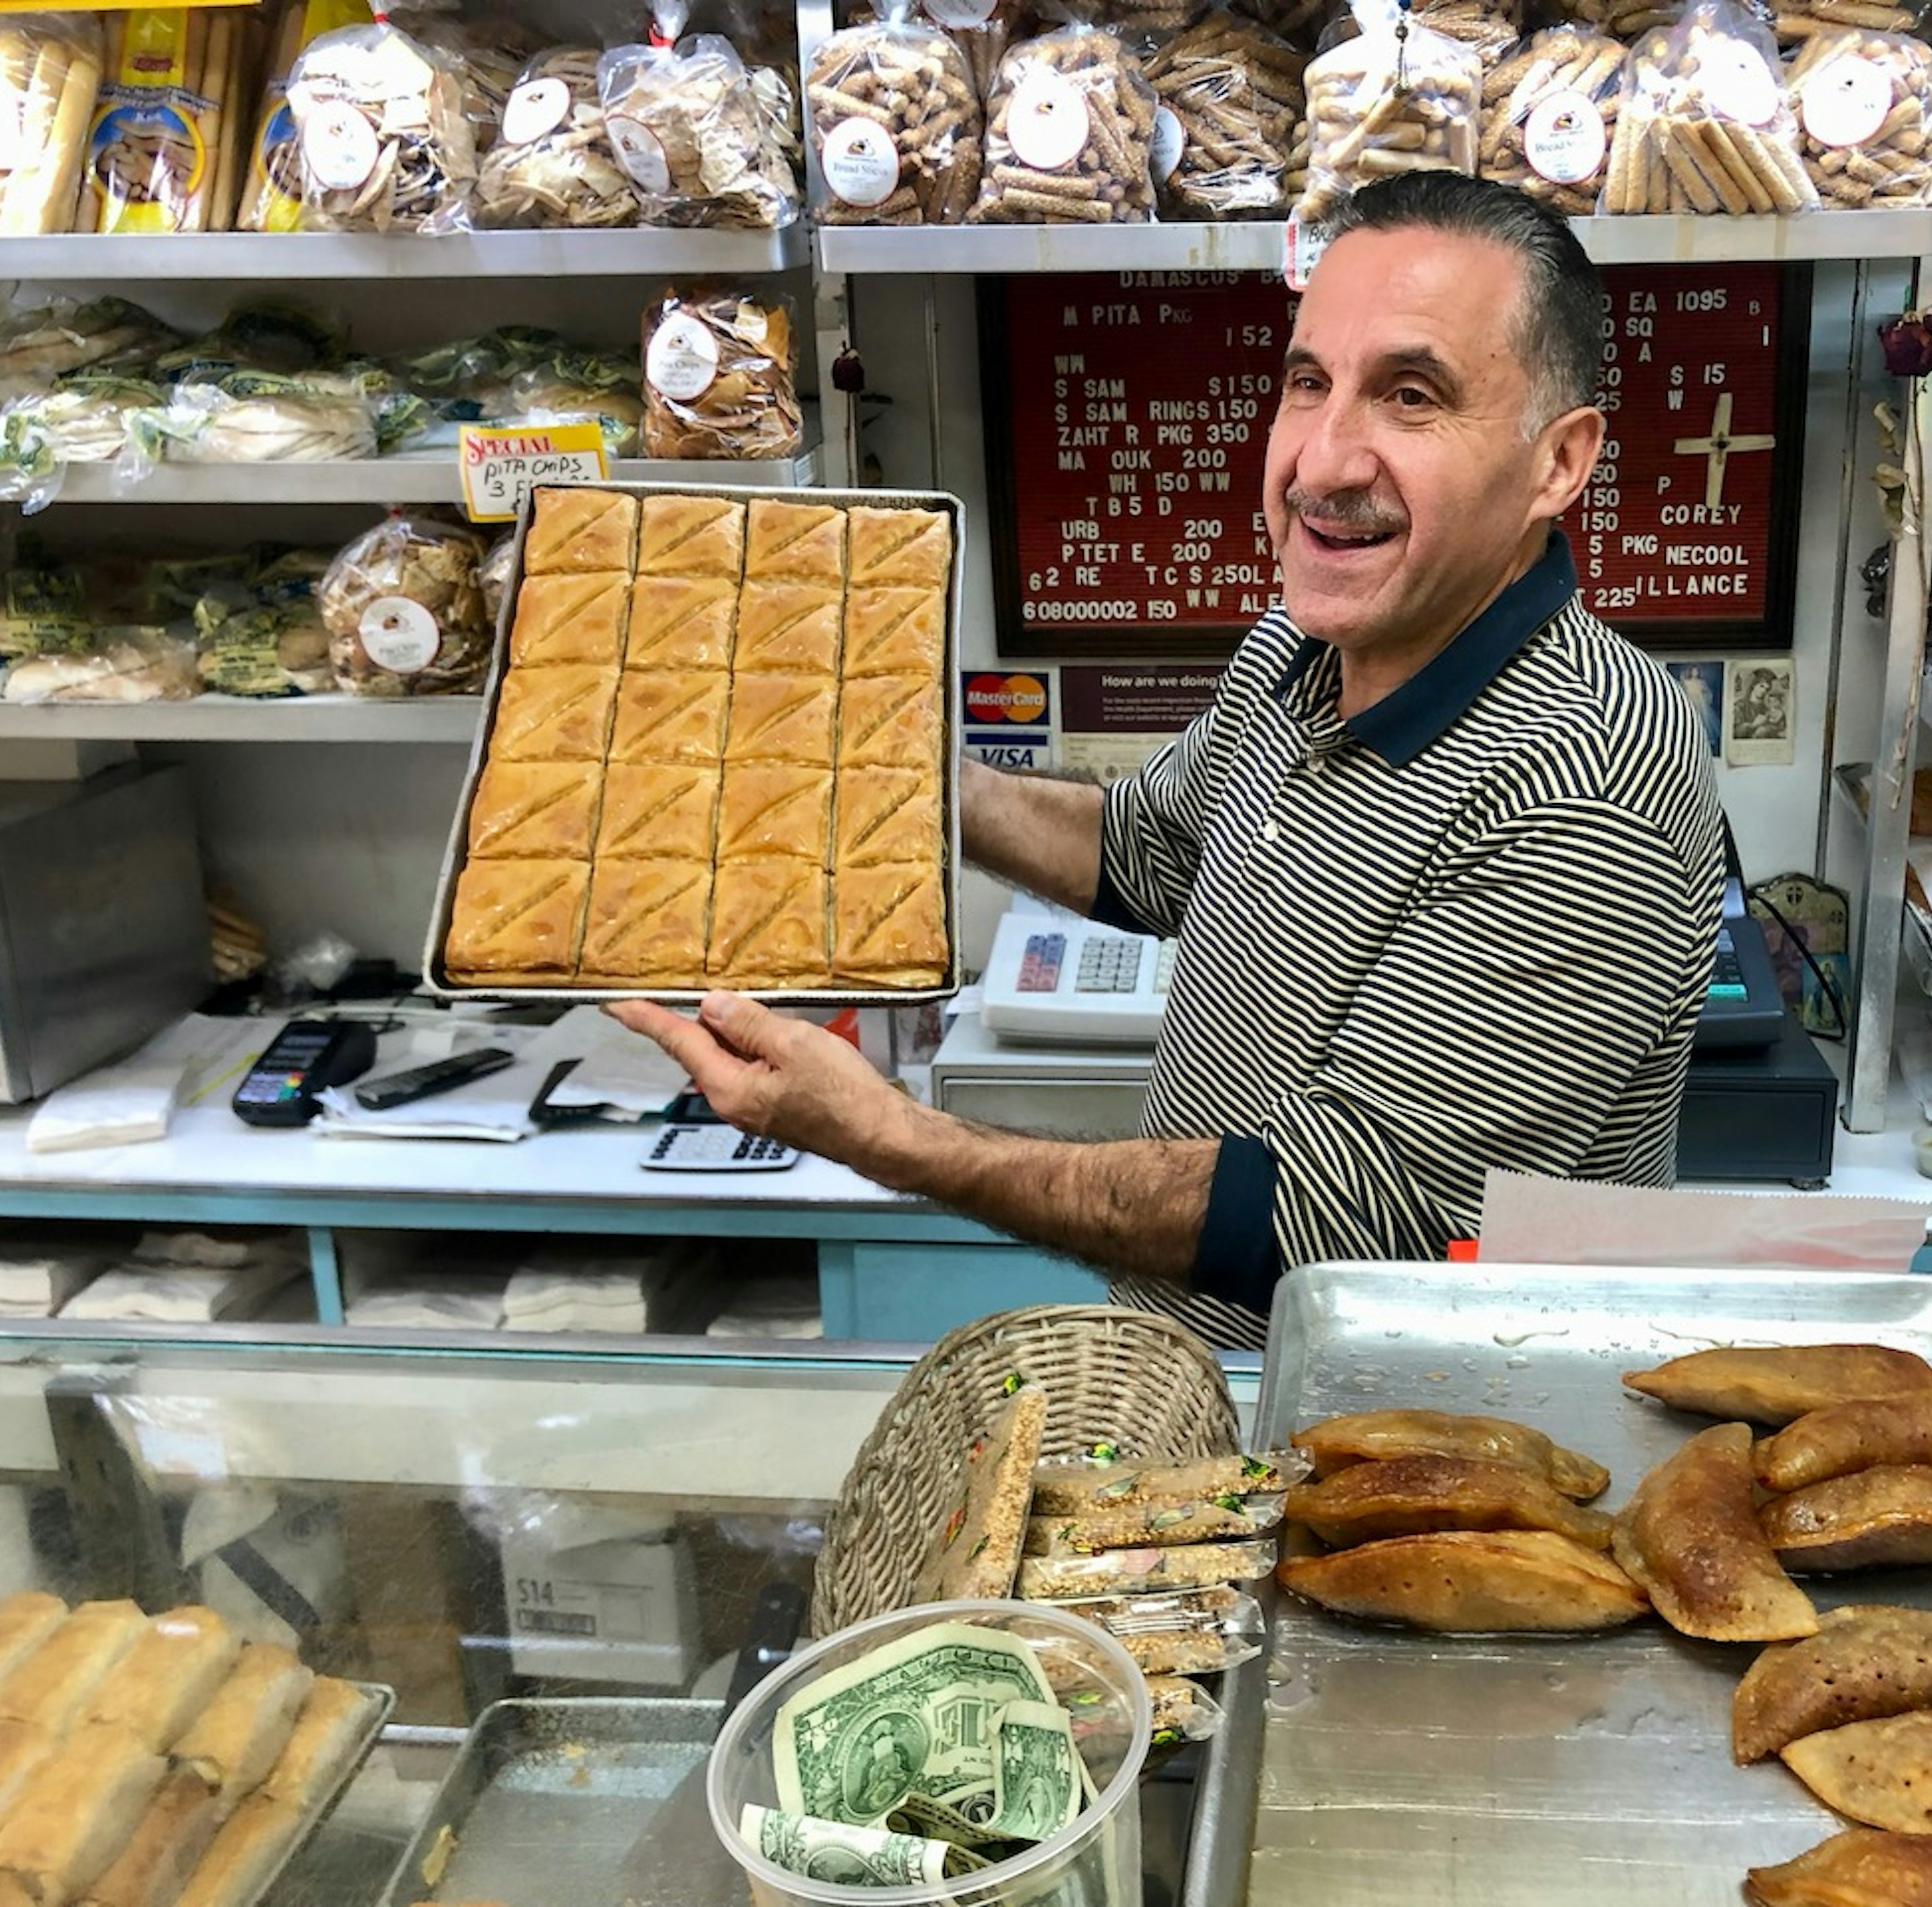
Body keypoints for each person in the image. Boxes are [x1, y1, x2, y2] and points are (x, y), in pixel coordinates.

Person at [613, 173, 1725, 1347]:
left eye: (1410, 396)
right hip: (1205, 1390)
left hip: (1408, 1464)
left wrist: (891, 1138)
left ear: (1559, 463)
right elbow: (1155, 854)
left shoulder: (1591, 774)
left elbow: (1344, 1218)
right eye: (1308, 384)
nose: (1322, 462)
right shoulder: (1300, 647)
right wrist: (882, 769)